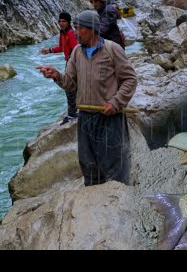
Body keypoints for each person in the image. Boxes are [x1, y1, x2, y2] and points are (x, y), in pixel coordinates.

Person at [36, 10, 137, 186]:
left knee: (115, 165)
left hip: (109, 118)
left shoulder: (112, 50)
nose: (75, 32)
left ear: (92, 29)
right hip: (85, 118)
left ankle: (120, 203)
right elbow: (70, 83)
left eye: (79, 28)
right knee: (89, 165)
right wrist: (57, 76)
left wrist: (116, 102)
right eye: (74, 28)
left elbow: (130, 79)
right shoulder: (76, 52)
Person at [40, 11, 78, 124]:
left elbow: (76, 49)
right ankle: (74, 112)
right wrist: (50, 50)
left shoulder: (71, 33)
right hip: (69, 62)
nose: (61, 23)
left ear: (68, 22)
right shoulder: (63, 33)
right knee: (71, 87)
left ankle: (72, 114)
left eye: (64, 21)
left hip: (73, 63)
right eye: (60, 21)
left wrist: (72, 62)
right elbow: (61, 47)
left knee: (69, 88)